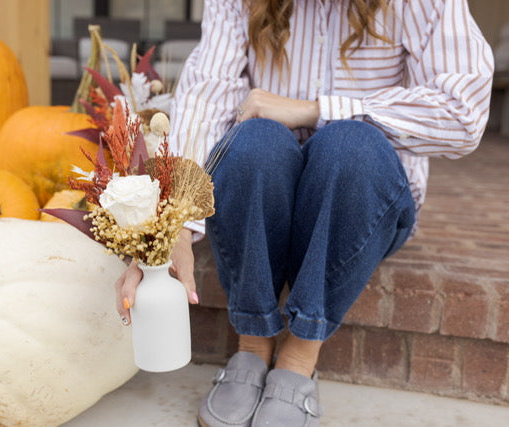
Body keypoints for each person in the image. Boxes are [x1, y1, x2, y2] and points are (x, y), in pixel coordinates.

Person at [115, 0, 493, 425]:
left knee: (351, 144)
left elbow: (465, 111)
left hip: (359, 198)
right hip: (263, 195)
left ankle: (299, 356)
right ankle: (253, 344)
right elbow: (207, 95)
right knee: (254, 138)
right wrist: (175, 224)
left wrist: (316, 110)